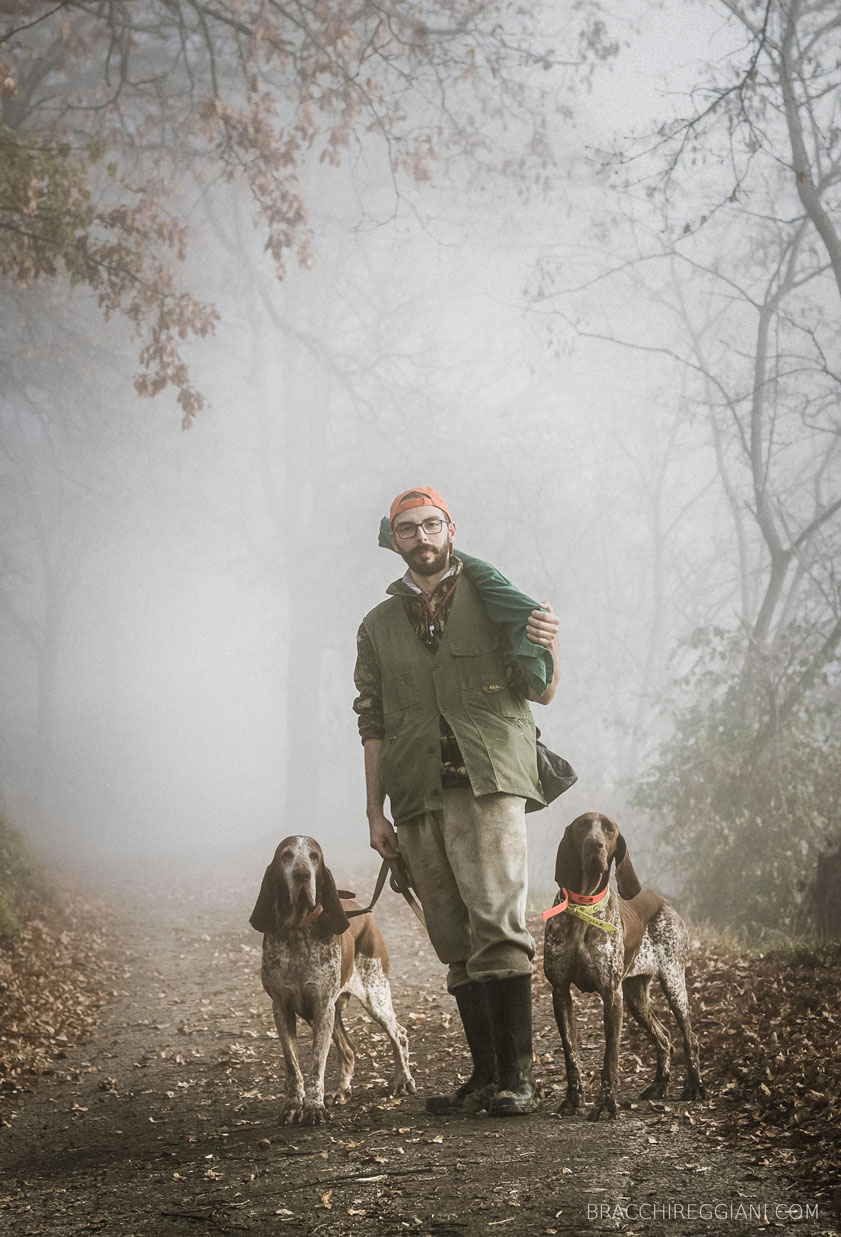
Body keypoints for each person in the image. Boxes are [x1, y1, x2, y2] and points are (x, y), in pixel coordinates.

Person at [353, 487, 560, 1116]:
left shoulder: (495, 598)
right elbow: (372, 721)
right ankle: (486, 1075)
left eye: (432, 524)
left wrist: (553, 640)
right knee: (451, 934)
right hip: (416, 793)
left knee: (498, 924)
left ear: (451, 528)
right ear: (395, 540)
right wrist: (373, 811)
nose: (422, 536)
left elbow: (541, 690)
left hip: (487, 781)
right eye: (408, 528)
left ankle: (518, 1080)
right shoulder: (377, 625)